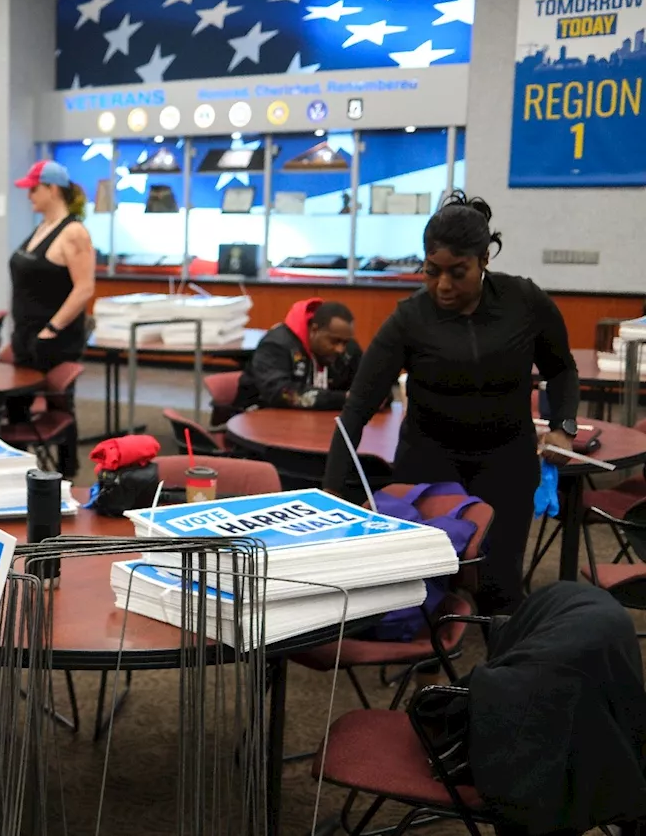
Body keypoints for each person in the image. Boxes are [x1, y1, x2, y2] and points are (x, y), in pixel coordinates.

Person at [324, 191, 578, 615]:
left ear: (484, 261)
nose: (443, 285)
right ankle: (424, 665)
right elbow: (358, 408)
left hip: (506, 460)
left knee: (499, 584)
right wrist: (331, 488)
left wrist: (562, 427)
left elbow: (562, 370)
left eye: (458, 272)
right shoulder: (410, 318)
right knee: (428, 583)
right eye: (431, 271)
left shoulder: (524, 302)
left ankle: (507, 670)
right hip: (429, 460)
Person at [9, 160, 96, 373]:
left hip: (52, 344)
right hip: (25, 337)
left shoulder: (74, 233)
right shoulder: (43, 227)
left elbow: (84, 288)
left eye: (34, 189)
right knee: (17, 403)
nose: (29, 195)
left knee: (52, 404)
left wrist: (51, 329)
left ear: (53, 189)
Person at [234, 299, 362, 411]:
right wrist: (343, 399)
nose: (340, 349)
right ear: (314, 330)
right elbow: (281, 393)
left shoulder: (347, 350)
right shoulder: (276, 345)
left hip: (313, 423)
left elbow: (364, 382)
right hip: (257, 420)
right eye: (334, 341)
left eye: (345, 342)